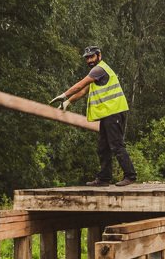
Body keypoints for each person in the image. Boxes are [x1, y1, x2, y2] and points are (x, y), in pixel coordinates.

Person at [50, 46, 137, 187]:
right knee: (103, 147)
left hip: (114, 111)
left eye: (92, 57)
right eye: (87, 58)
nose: (89, 60)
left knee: (116, 145)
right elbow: (84, 90)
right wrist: (68, 102)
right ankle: (104, 179)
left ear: (99, 55)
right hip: (107, 113)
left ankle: (130, 175)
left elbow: (79, 85)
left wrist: (64, 94)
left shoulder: (99, 70)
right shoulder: (96, 74)